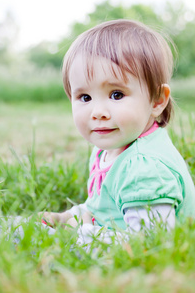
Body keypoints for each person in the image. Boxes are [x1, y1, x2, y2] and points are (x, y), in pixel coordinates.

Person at [40, 19, 195, 244]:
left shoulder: (145, 167)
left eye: (116, 94)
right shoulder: (111, 148)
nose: (98, 112)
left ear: (157, 100)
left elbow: (153, 243)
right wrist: (66, 218)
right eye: (85, 97)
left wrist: (85, 233)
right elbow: (104, 208)